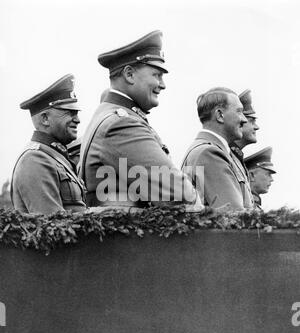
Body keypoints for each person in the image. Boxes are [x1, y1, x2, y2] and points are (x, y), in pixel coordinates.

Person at [79, 30, 202, 210]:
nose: (163, 84)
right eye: (156, 75)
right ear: (129, 74)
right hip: (128, 238)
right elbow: (179, 194)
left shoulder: (109, 114)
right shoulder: (120, 124)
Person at [11, 74, 86, 215]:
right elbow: (55, 229)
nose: (77, 120)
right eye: (70, 113)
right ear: (45, 119)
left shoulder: (54, 156)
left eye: (76, 113)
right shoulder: (35, 160)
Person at [181, 87, 253, 210]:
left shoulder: (215, 151)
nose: (244, 119)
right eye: (239, 111)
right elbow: (233, 214)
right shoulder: (209, 153)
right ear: (220, 115)